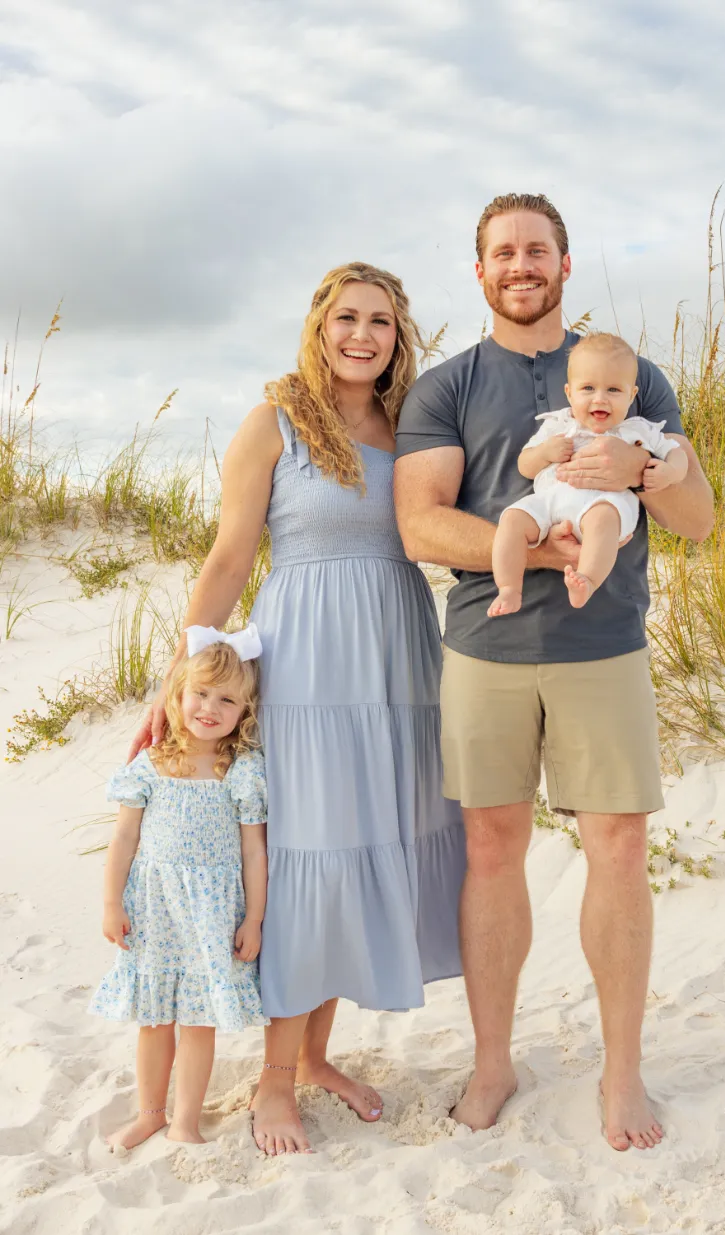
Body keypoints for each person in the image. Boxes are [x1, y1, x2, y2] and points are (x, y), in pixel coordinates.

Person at [394, 193, 714, 1151]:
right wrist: (536, 549)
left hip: (603, 646)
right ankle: (494, 1061)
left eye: (538, 250)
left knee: (617, 849)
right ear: (481, 269)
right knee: (492, 851)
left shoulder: (629, 372)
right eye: (504, 252)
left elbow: (696, 518)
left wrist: (646, 471)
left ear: (565, 264)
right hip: (484, 649)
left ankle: (623, 1076)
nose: (520, 264)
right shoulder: (445, 386)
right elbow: (421, 523)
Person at [129, 262, 465, 1157]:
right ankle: (273, 1083)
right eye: (347, 317)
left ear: (400, 337)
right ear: (319, 326)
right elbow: (230, 559)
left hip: (397, 664)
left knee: (364, 850)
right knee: (308, 856)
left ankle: (316, 1057)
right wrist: (177, 678)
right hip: (309, 670)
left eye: (381, 322)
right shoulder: (272, 423)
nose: (363, 334)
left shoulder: (412, 426)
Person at [91, 630, 268, 1150]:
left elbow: (254, 851)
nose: (210, 707)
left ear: (244, 711)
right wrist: (111, 903)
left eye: (227, 699)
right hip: (154, 909)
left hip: (212, 915)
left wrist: (253, 918)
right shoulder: (150, 764)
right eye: (201, 693)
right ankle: (150, 1113)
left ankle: (187, 1119)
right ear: (177, 696)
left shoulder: (239, 771)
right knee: (154, 1017)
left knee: (198, 1020)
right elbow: (124, 839)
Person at [489, 332, 688, 615]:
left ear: (632, 394)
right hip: (551, 499)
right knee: (511, 519)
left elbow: (677, 454)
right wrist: (545, 453)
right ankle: (509, 588)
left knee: (604, 519)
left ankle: (587, 581)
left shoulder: (637, 430)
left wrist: (669, 472)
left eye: (614, 390)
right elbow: (525, 464)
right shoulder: (558, 426)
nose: (600, 399)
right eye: (588, 389)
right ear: (570, 393)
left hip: (603, 501)